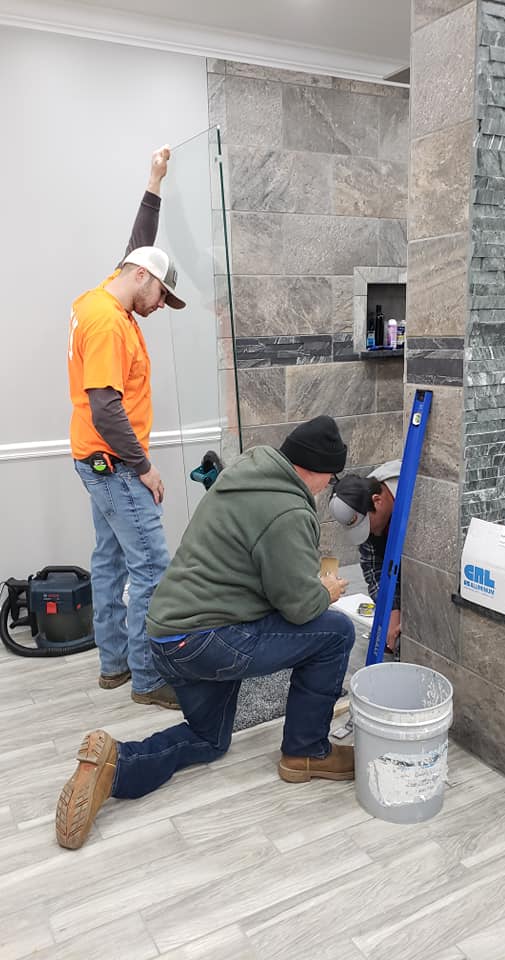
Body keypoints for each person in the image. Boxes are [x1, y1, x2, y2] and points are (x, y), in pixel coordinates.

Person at [56, 416, 357, 850]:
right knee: (335, 632)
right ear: (319, 470)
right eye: (332, 477)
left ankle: (114, 765)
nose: (329, 485)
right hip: (207, 639)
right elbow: (299, 606)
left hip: (165, 635)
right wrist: (324, 592)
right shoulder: (288, 510)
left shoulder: (244, 473)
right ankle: (306, 752)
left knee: (208, 740)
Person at [67, 146, 185, 708]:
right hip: (115, 463)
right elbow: (104, 407)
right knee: (152, 567)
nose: (161, 305)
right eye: (162, 292)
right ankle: (148, 677)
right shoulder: (109, 325)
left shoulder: (103, 298)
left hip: (93, 460)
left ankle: (113, 665)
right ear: (141, 278)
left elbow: (140, 245)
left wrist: (154, 182)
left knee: (110, 561)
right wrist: (145, 467)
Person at [330, 460, 401, 653]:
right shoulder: (362, 502)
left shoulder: (414, 497)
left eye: (366, 525)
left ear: (378, 501)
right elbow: (374, 571)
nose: (366, 532)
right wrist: (391, 610)